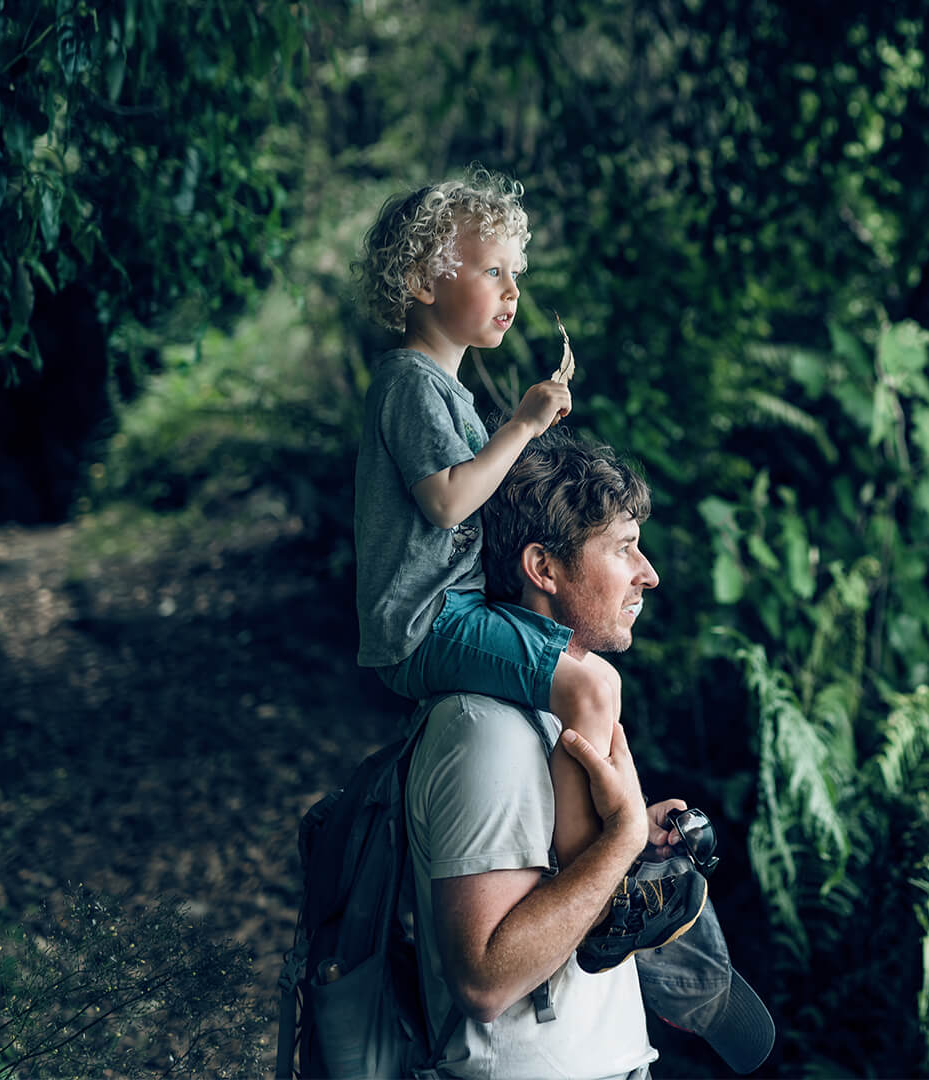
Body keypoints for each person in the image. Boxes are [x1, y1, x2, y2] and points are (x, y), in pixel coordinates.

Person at [351, 169, 697, 969]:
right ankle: (605, 882)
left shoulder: (447, 392)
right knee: (591, 684)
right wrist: (523, 422)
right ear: (421, 279)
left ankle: (624, 831)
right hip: (426, 621)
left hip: (451, 608)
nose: (511, 292)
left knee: (584, 677)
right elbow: (446, 503)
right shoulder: (410, 382)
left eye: (516, 274)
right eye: (492, 271)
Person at [405, 430, 773, 1077]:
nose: (648, 574)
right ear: (542, 568)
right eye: (624, 549)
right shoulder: (483, 731)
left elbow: (555, 883)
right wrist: (622, 839)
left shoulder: (559, 709)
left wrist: (628, 842)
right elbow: (485, 981)